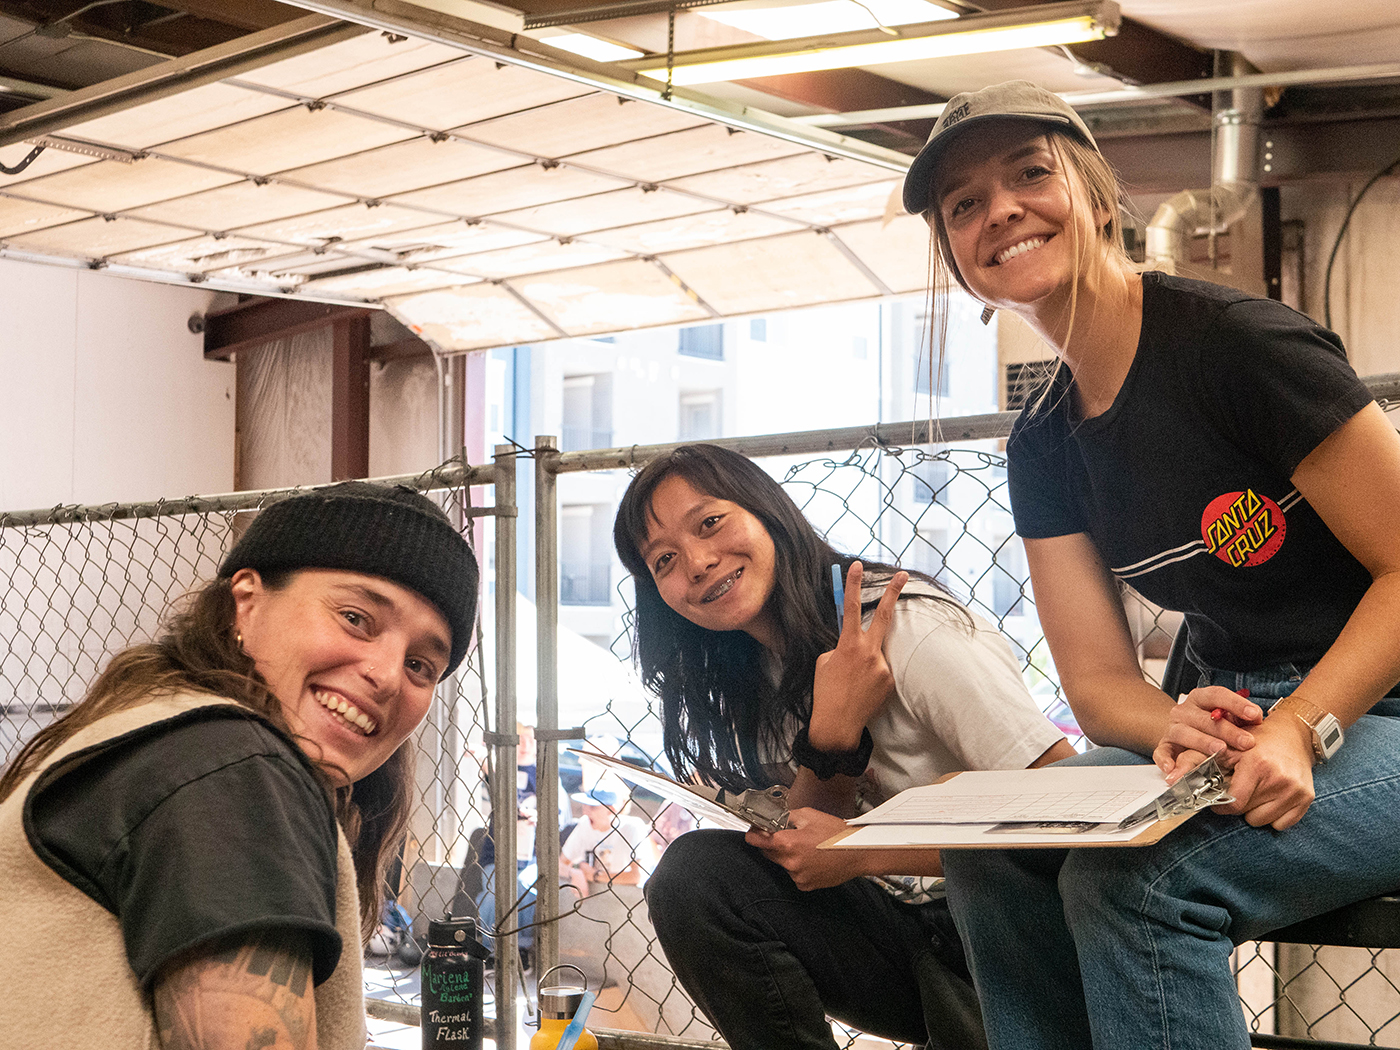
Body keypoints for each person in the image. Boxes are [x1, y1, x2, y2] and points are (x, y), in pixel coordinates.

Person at [900, 79, 1400, 1050]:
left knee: (1136, 882)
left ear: (1094, 193)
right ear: (957, 258)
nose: (999, 210)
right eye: (963, 204)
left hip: (1375, 711)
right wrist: (1173, 723)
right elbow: (1095, 683)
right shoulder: (1043, 439)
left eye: (1028, 174)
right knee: (995, 854)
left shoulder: (1236, 347)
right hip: (1241, 711)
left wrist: (1300, 725)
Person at [612, 442, 1075, 1050]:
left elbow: (1069, 816)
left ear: (766, 510)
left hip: (1017, 936)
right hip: (911, 936)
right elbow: (816, 843)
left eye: (710, 522)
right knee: (694, 877)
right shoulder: (752, 671)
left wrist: (861, 851)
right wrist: (832, 734)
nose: (697, 563)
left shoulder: (908, 627)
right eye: (664, 560)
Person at [0, 481, 478, 1049]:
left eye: (421, 665)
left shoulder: (157, 726)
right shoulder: (234, 768)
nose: (388, 675)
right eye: (355, 618)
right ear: (245, 602)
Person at [559, 782, 651, 896]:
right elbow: (560, 864)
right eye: (584, 805)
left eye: (593, 807)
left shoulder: (632, 827)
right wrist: (575, 873)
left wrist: (595, 876)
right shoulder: (585, 824)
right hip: (598, 899)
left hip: (625, 897)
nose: (585, 811)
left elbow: (637, 876)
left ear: (611, 810)